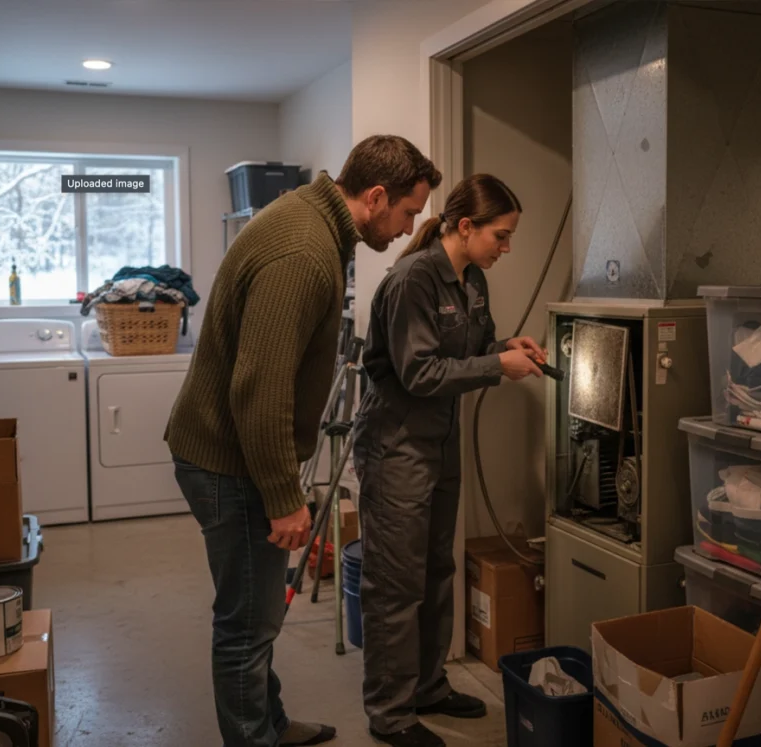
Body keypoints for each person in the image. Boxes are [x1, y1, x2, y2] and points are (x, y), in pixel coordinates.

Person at [165, 135, 443, 747]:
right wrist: (283, 494)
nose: (409, 228)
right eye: (407, 212)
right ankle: (255, 738)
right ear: (376, 197)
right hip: (228, 461)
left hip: (227, 452)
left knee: (254, 612)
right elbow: (257, 390)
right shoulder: (305, 251)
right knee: (247, 623)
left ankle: (272, 723)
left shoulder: (313, 223)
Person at [352, 174, 545, 747]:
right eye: (501, 236)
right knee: (396, 583)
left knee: (437, 571)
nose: (505, 248)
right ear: (466, 227)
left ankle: (428, 686)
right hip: (397, 449)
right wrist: (495, 370)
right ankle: (390, 713)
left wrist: (503, 348)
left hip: (439, 442)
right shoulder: (412, 279)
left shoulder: (473, 280)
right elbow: (418, 373)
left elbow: (471, 349)